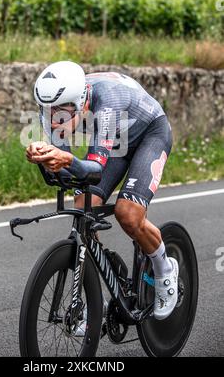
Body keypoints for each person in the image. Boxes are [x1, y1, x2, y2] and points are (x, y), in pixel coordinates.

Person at [26, 61, 178, 321]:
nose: (54, 120)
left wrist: (66, 160)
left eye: (62, 112)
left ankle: (165, 269)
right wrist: (46, 159)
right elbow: (67, 172)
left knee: (128, 214)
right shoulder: (59, 103)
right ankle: (102, 290)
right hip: (117, 141)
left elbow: (93, 169)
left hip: (150, 134)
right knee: (83, 207)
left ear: (82, 101)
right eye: (48, 111)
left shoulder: (107, 101)